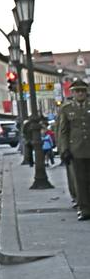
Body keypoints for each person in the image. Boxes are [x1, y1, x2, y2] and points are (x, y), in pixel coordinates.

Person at [57, 78, 90, 220]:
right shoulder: (67, 109)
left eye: (83, 91)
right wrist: (64, 149)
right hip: (76, 150)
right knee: (80, 181)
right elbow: (63, 131)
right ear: (73, 93)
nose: (80, 94)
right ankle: (84, 208)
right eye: (77, 91)